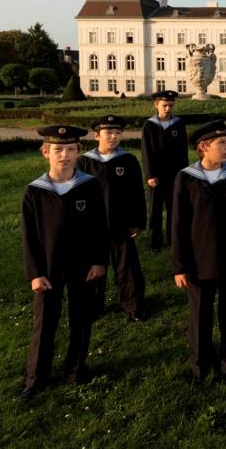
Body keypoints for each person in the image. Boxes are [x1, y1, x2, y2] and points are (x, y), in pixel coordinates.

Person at [20, 125, 108, 403]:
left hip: (83, 266)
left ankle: (76, 369)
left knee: (81, 319)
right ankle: (36, 378)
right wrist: (35, 273)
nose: (65, 155)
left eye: (71, 149)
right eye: (58, 150)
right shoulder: (35, 192)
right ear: (45, 152)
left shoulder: (89, 185)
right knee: (45, 322)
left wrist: (99, 261)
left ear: (78, 152)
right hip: (48, 268)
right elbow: (29, 238)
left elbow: (99, 228)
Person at [172, 120, 226, 384]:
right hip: (199, 261)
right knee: (199, 316)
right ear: (204, 147)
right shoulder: (186, 178)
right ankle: (200, 365)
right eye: (222, 144)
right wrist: (180, 265)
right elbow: (178, 225)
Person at [77, 115, 148, 321]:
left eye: (117, 133)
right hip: (93, 226)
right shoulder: (84, 162)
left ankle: (133, 305)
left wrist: (138, 221)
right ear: (97, 135)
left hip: (121, 223)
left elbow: (137, 192)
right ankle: (93, 306)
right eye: (109, 133)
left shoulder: (128, 160)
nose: (114, 137)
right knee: (93, 267)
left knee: (127, 268)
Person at [141, 90, 188, 251]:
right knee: (155, 209)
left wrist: (184, 174)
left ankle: (172, 239)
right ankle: (155, 242)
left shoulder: (178, 124)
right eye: (164, 105)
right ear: (156, 105)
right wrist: (149, 175)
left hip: (174, 174)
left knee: (174, 208)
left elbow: (183, 151)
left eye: (170, 105)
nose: (167, 108)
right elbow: (146, 152)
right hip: (156, 175)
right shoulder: (149, 125)